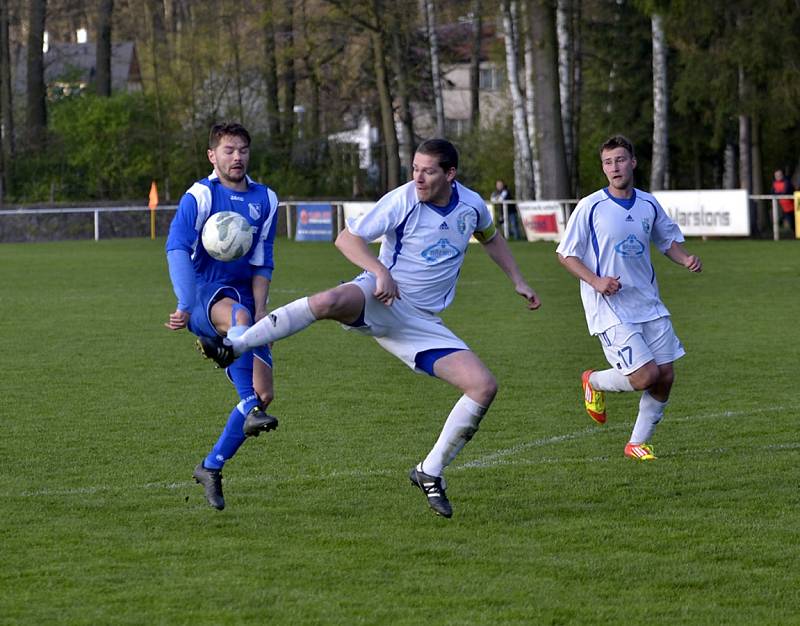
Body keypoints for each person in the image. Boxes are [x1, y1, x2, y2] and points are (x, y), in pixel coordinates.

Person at [199, 138, 541, 518]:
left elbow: (490, 238)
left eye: (427, 171)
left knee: (483, 386)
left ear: (450, 174)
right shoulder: (404, 199)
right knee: (329, 301)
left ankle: (430, 472)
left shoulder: (472, 205)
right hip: (379, 296)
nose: (418, 178)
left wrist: (517, 280)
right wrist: (379, 271)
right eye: (414, 169)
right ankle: (237, 345)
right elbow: (346, 238)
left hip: (422, 324)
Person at [555, 135, 702, 461]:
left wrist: (686, 259)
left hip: (647, 301)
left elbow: (667, 241)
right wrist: (596, 281)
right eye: (608, 162)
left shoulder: (648, 203)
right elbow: (565, 254)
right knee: (644, 377)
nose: (614, 167)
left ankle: (637, 442)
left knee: (665, 376)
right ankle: (592, 381)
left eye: (620, 160)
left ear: (633, 162)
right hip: (609, 305)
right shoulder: (590, 206)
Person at [165, 122, 281, 510]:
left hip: (245, 304)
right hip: (205, 295)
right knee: (241, 325)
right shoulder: (200, 195)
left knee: (266, 394)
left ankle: (211, 466)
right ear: (212, 155)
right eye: (229, 150)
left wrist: (262, 310)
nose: (237, 157)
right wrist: (184, 302)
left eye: (243, 150)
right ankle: (243, 396)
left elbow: (263, 260)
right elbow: (177, 247)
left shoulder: (266, 199)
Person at [771, 169, 795, 235]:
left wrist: (778, 193)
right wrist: (778, 193)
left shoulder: (787, 182)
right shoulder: (774, 183)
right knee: (781, 220)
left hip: (791, 207)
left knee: (793, 222)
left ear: (782, 175)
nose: (778, 176)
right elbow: (773, 193)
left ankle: (796, 234)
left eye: (779, 175)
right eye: (776, 175)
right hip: (781, 207)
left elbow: (785, 192)